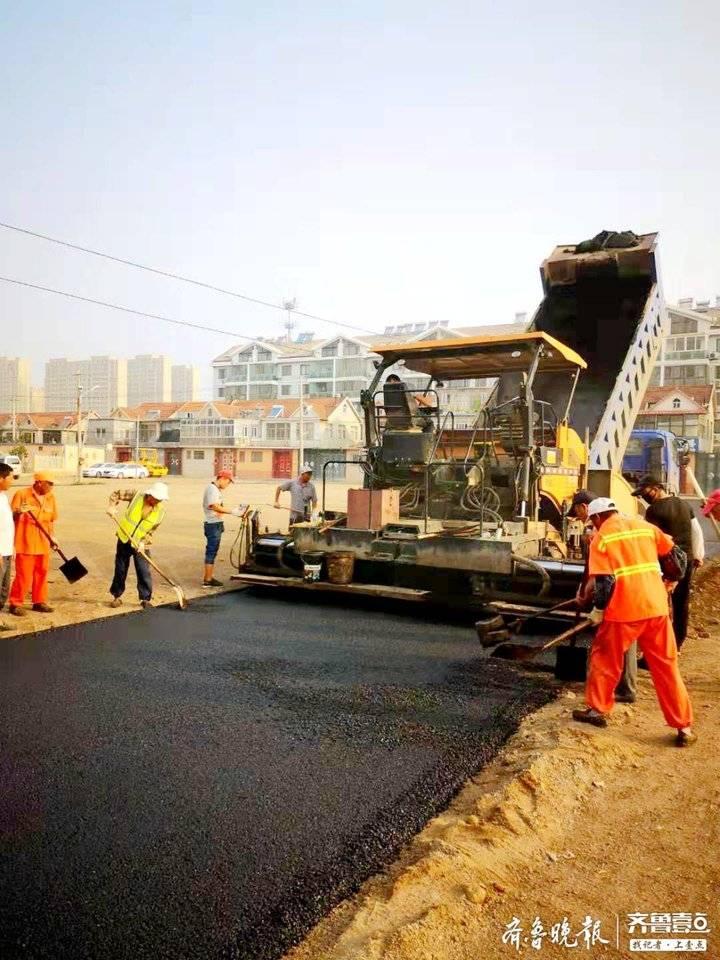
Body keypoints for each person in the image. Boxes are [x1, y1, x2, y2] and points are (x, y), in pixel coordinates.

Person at [572, 497, 696, 747]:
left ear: (597, 518)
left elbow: (605, 582)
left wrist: (597, 609)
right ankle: (684, 727)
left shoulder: (602, 538)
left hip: (623, 611)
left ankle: (597, 711)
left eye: (592, 522)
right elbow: (679, 558)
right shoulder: (645, 527)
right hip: (656, 608)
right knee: (666, 667)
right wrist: (670, 580)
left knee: (604, 659)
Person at [570, 490, 637, 702]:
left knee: (612, 646)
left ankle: (611, 693)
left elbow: (601, 574)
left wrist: (594, 603)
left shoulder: (599, 534)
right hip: (639, 592)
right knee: (627, 644)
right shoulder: (631, 526)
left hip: (620, 594)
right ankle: (624, 687)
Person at [632, 475, 704, 650]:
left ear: (656, 488)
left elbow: (651, 538)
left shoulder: (654, 511)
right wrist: (698, 554)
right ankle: (676, 644)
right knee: (681, 604)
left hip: (665, 564)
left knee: (659, 606)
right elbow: (696, 530)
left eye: (644, 492)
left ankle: (658, 649)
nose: (643, 497)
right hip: (685, 561)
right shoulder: (684, 504)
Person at [107, 481, 169, 609]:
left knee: (143, 571)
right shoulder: (136, 496)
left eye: (160, 500)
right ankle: (117, 596)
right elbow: (116, 494)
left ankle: (145, 599)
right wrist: (112, 506)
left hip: (140, 545)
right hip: (124, 538)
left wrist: (142, 542)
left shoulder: (160, 512)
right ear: (150, 494)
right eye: (156, 499)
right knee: (120, 569)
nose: (158, 502)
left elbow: (151, 532)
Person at [8, 471, 58, 616]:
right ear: (38, 483)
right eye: (49, 484)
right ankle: (15, 603)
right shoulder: (22, 494)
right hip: (25, 543)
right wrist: (18, 512)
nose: (51, 487)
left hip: (43, 542)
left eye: (52, 484)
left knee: (41, 574)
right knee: (23, 575)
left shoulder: (51, 498)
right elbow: (10, 517)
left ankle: (39, 602)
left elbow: (50, 521)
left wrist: (53, 538)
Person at [202, 470, 244, 587]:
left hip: (215, 523)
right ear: (222, 479)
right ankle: (207, 580)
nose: (228, 485)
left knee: (213, 551)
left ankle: (208, 578)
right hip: (212, 524)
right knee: (211, 551)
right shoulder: (212, 489)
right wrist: (233, 511)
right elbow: (213, 505)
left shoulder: (215, 489)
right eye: (228, 482)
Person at [0, 463, 14, 628]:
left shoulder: (3, 496)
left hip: (7, 549)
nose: (12, 480)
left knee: (4, 589)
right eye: (10, 477)